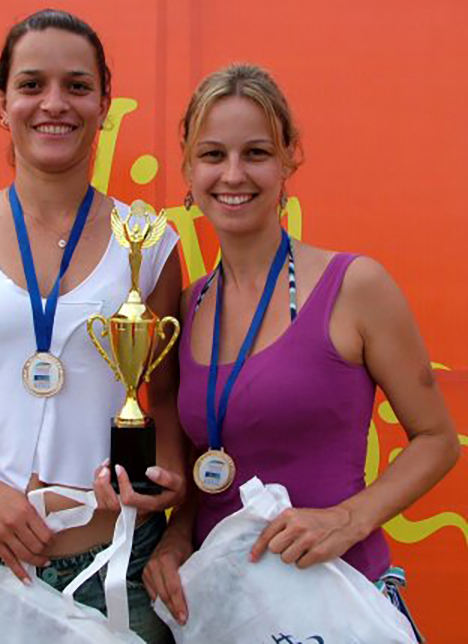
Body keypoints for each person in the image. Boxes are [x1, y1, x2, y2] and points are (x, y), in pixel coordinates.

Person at [0, 9, 185, 643]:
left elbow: (167, 396)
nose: (54, 104)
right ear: (1, 103)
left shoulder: (150, 242)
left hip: (117, 564)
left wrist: (167, 483)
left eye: (77, 86)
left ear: (104, 101)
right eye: (31, 85)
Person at [143, 64, 459, 640]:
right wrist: (175, 537)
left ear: (290, 158)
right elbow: (208, 466)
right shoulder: (187, 307)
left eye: (256, 152)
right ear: (187, 167)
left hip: (336, 604)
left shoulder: (355, 285)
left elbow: (437, 441)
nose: (233, 174)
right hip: (222, 615)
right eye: (213, 154)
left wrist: (348, 518)